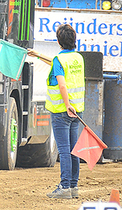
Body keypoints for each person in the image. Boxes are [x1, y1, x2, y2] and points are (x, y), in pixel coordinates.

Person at [46, 23, 85, 200]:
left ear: (58, 41)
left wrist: (67, 103)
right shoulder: (78, 58)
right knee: (73, 150)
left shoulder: (58, 60)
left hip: (62, 110)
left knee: (63, 150)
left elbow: (62, 83)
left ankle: (64, 187)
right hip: (77, 111)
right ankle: (74, 186)